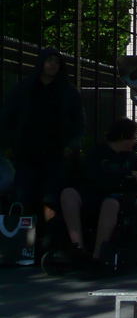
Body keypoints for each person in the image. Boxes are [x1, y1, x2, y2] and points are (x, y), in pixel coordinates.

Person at [0, 47, 85, 222]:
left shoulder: (67, 91)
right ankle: (24, 240)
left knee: (51, 198)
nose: (53, 65)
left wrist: (70, 146)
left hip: (56, 152)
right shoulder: (24, 88)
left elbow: (79, 122)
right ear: (41, 63)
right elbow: (7, 117)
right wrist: (7, 145)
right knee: (25, 195)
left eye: (57, 62)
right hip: (26, 151)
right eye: (49, 61)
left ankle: (48, 238)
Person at [55, 117, 137, 269]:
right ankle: (77, 247)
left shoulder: (133, 158)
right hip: (94, 193)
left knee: (110, 203)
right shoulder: (96, 153)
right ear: (122, 137)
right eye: (133, 137)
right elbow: (91, 177)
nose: (135, 141)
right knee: (68, 193)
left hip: (117, 197)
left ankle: (98, 254)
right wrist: (125, 174)